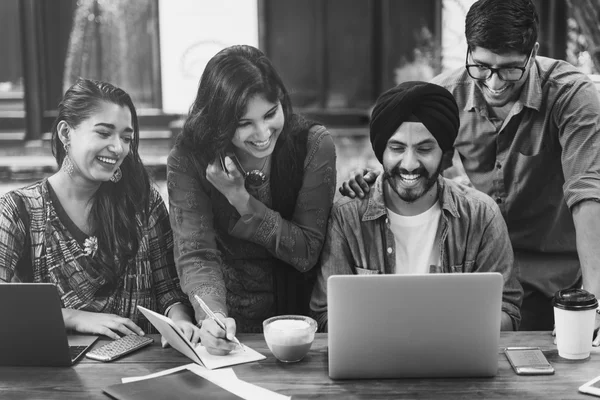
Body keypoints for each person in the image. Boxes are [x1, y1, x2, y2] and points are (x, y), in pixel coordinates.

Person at [340, 0, 600, 334]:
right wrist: (379, 178)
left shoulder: (571, 95)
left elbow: (587, 194)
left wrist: (592, 301)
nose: (493, 83)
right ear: (469, 51)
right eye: (482, 66)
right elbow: (423, 170)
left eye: (509, 68)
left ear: (532, 52)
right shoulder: (445, 95)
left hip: (561, 275)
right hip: (484, 271)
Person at [0, 78, 200, 344]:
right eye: (104, 133)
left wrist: (181, 323)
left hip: (142, 364)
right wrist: (72, 317)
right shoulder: (20, 210)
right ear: (65, 133)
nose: (118, 148)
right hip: (60, 376)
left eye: (126, 138)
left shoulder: (142, 201)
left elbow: (168, 290)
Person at [311, 81, 522, 332]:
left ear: (443, 154)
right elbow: (325, 316)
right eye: (397, 148)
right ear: (381, 153)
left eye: (424, 149)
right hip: (373, 367)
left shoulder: (481, 216)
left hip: (456, 364)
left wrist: (447, 330)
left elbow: (508, 310)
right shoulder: (347, 217)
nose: (409, 164)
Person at [167, 45, 337, 355]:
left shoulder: (313, 144)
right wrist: (213, 316)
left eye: (271, 114)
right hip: (227, 325)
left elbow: (306, 251)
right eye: (244, 123)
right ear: (218, 122)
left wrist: (241, 199)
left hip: (300, 325)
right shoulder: (189, 158)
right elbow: (196, 253)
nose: (262, 133)